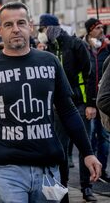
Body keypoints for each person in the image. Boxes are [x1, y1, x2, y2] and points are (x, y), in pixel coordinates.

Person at [0, 1, 102, 203]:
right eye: (8, 25)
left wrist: (87, 153)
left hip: (48, 169)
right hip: (5, 171)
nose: (15, 29)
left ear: (30, 27)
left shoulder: (49, 62)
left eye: (21, 23)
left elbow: (68, 111)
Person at [37, 13, 91, 202]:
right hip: (58, 106)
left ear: (51, 28)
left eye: (42, 29)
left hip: (80, 103)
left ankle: (87, 188)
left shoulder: (76, 44)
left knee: (85, 146)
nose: (40, 33)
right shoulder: (47, 49)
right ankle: (63, 188)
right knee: (60, 148)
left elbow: (89, 73)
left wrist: (90, 103)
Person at [84, 18, 110, 183]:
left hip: (105, 101)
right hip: (93, 100)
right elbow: (86, 76)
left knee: (104, 138)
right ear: (90, 30)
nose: (101, 30)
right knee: (89, 137)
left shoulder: (106, 48)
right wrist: (89, 103)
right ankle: (92, 169)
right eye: (97, 27)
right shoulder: (83, 47)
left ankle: (103, 170)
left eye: (102, 27)